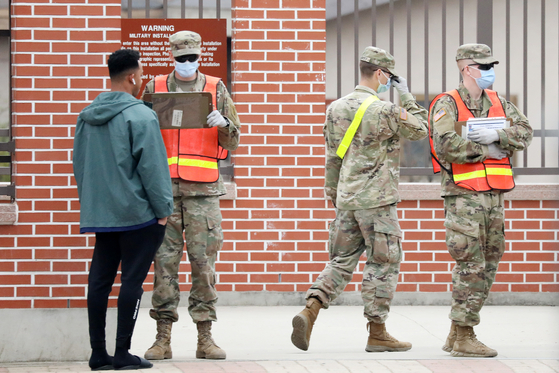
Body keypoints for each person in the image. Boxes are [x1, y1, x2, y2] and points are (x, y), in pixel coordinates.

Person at [291, 46, 428, 353]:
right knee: (383, 263)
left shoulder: (335, 108)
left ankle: (310, 309)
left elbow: (331, 156)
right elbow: (421, 129)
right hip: (377, 202)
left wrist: (333, 194)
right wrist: (405, 95)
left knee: (340, 261)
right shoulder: (386, 109)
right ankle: (377, 332)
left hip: (346, 199)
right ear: (380, 74)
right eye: (388, 77)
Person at [141, 30, 240, 361]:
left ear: (200, 56)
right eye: (181, 58)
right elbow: (138, 135)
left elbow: (234, 140)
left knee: (204, 265)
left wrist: (223, 122)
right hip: (163, 191)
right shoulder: (154, 88)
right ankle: (162, 338)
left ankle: (205, 337)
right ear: (173, 57)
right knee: (164, 264)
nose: (187, 64)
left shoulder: (215, 88)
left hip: (203, 192)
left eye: (192, 58)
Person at [429, 44, 532, 357]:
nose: (489, 72)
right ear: (467, 69)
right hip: (463, 197)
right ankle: (464, 335)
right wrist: (485, 150)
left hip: (494, 197)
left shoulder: (499, 101)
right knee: (469, 263)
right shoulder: (447, 102)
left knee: (489, 261)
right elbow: (445, 144)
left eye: (491, 66)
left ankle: (456, 330)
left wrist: (499, 136)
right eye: (483, 66)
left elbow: (525, 131)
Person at [73, 49, 173, 371]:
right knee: (132, 281)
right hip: (138, 215)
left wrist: (94, 204)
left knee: (99, 281)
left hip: (101, 215)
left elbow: (80, 165)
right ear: (133, 76)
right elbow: (153, 169)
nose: (142, 79)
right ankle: (122, 353)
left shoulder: (86, 115)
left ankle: (97, 353)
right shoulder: (141, 115)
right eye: (141, 74)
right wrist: (163, 211)